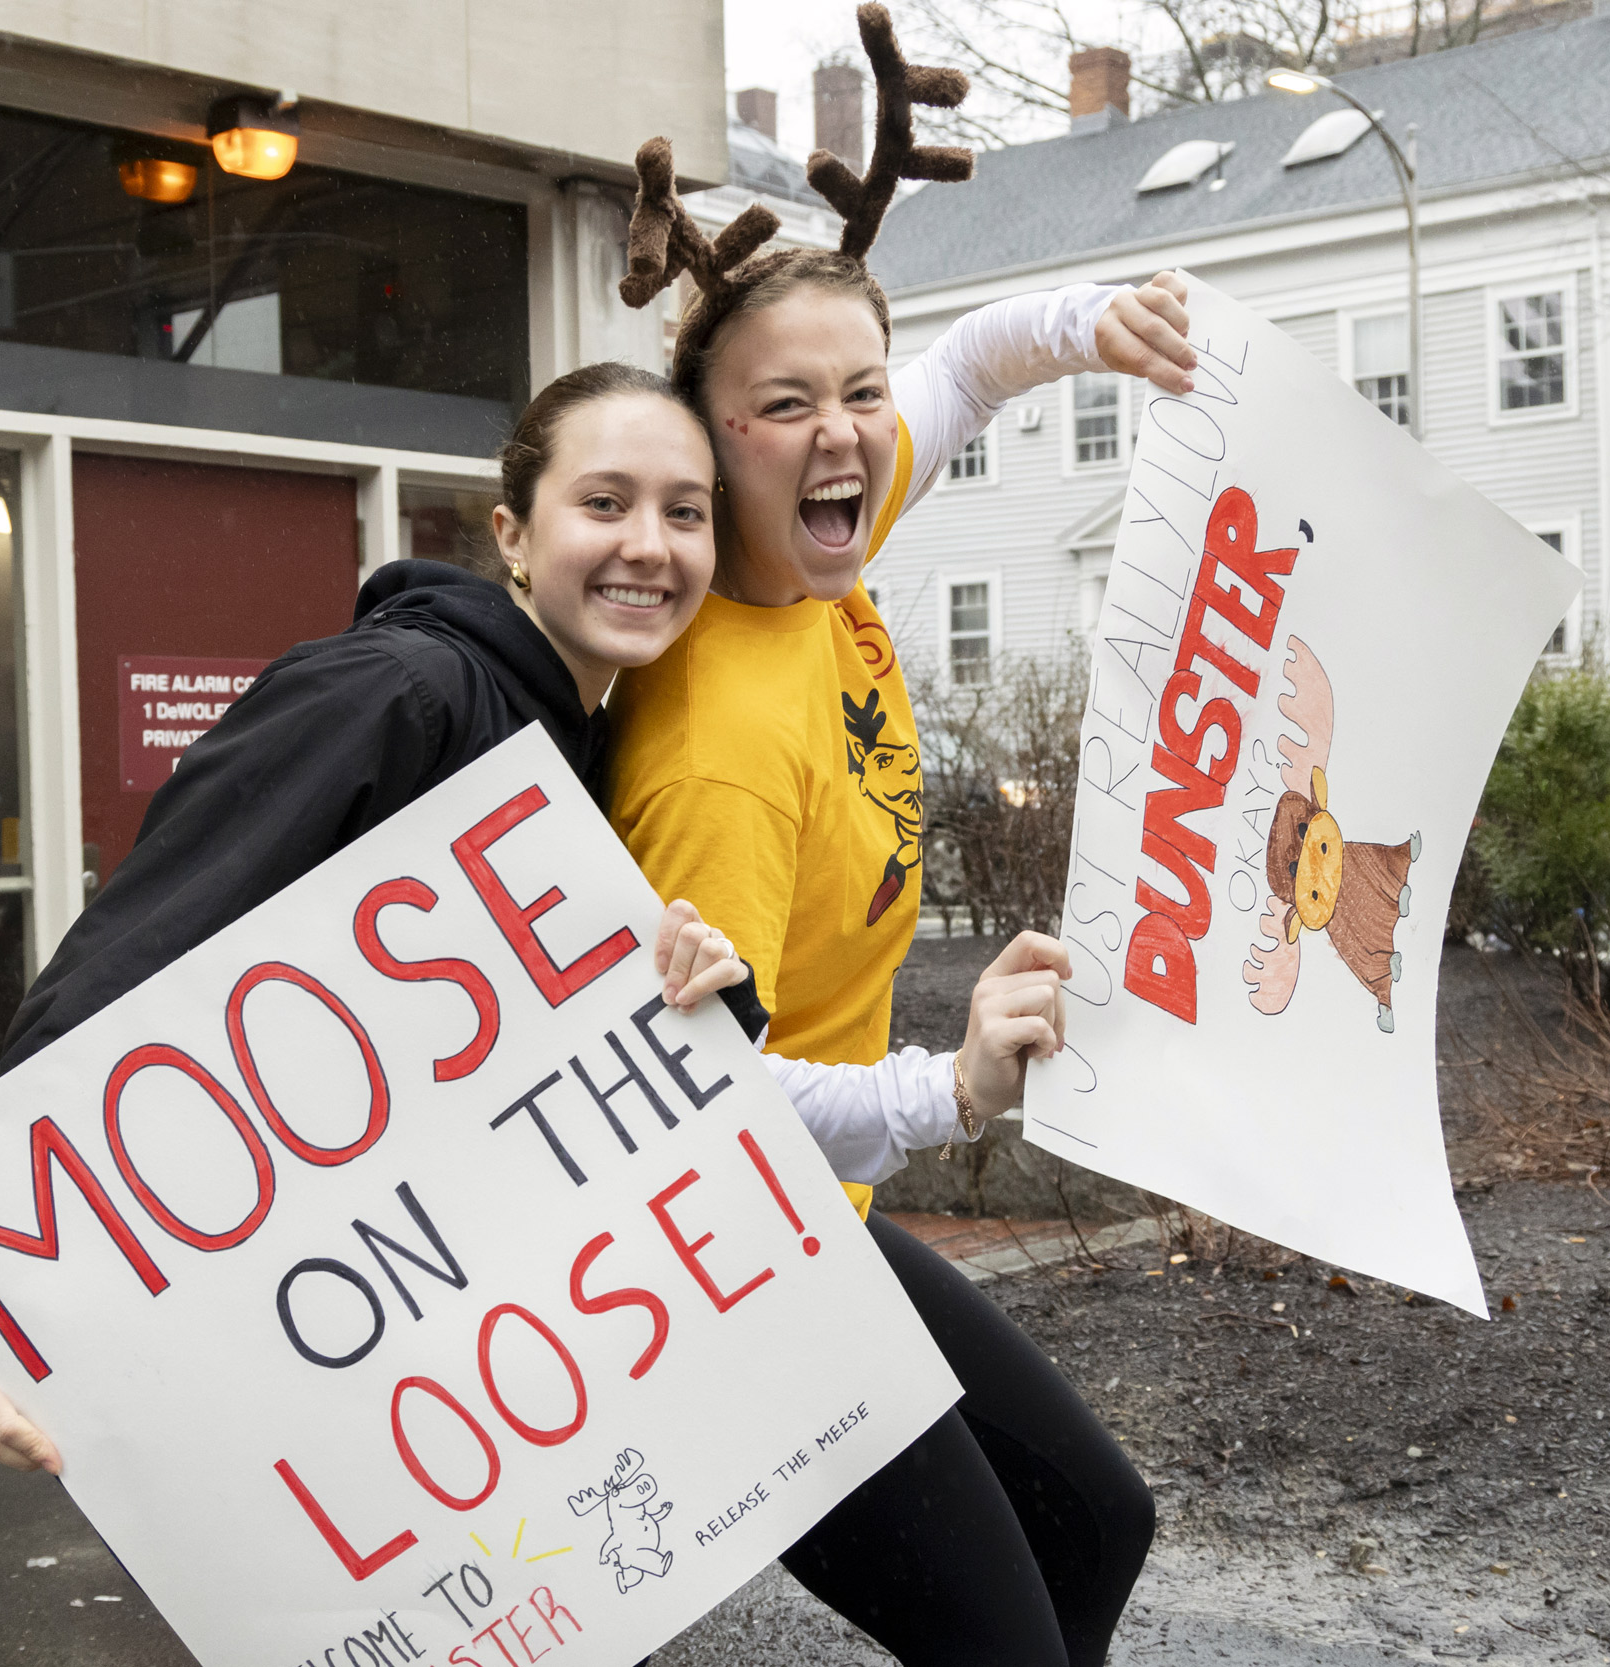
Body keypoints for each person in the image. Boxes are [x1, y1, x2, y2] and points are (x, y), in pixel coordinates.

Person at [0, 360, 1075, 1496]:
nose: (649, 543)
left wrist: (711, 988)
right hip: (323, 1338)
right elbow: (126, 963)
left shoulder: (585, 751)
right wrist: (15, 1304)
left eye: (685, 513)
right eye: (604, 502)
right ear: (513, 534)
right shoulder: (397, 691)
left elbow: (568, 1079)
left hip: (432, 1349)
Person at [602, 9, 1189, 1663]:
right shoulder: (716, 736)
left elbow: (971, 361)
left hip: (821, 1238)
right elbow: (697, 1113)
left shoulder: (819, 536)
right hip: (719, 1280)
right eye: (788, 403)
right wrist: (958, 1090)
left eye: (859, 390)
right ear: (712, 446)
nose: (850, 428)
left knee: (1098, 1526)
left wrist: (1103, 320)